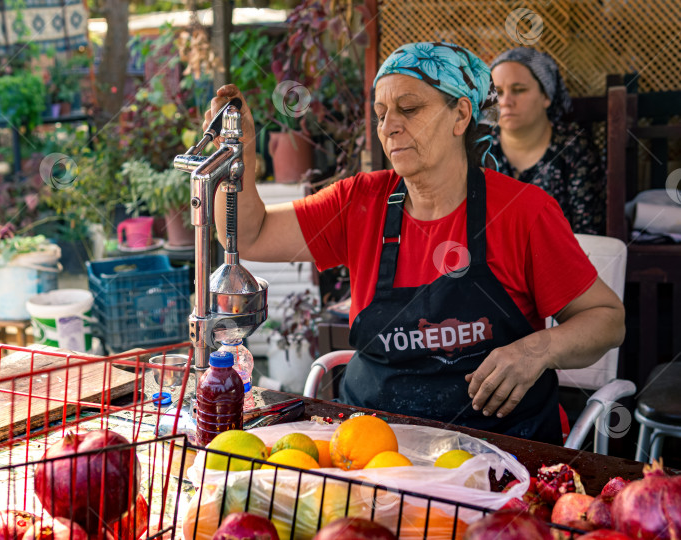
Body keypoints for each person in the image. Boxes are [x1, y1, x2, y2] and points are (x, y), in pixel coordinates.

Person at [203, 41, 625, 444]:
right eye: (381, 113)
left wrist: (540, 348)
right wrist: (238, 156)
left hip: (501, 449)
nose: (389, 127)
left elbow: (607, 319)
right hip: (374, 446)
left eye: (409, 108)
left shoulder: (522, 211)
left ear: (461, 115)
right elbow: (250, 234)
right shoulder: (359, 202)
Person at [489, 47, 606, 235]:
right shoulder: (480, 148)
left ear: (546, 96)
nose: (505, 101)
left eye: (519, 90)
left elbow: (589, 231)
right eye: (498, 92)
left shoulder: (573, 149)